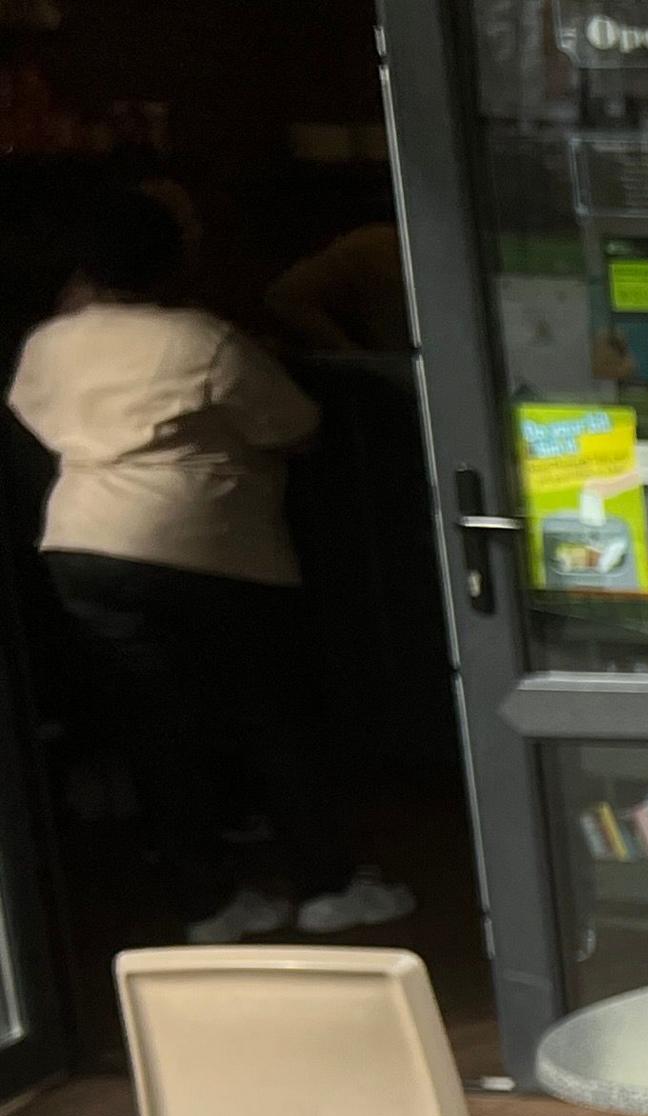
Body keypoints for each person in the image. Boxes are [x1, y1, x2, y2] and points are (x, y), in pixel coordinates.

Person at [10, 188, 411, 941]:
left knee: (157, 730)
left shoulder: (48, 343)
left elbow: (33, 416)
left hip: (82, 546)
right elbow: (296, 426)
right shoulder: (201, 341)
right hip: (210, 549)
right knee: (276, 720)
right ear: (173, 262)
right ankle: (326, 887)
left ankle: (209, 904)